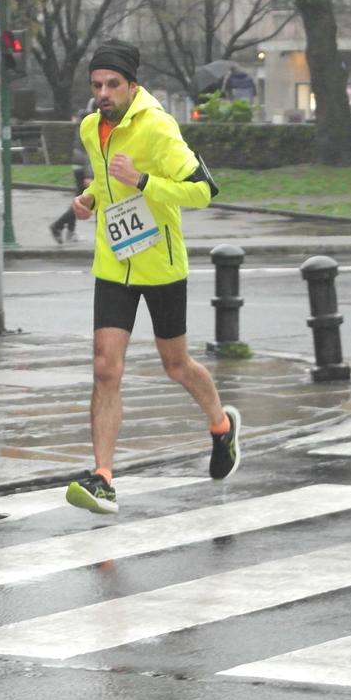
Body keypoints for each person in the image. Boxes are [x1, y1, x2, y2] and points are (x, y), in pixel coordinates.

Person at [66, 40, 239, 517]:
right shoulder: (89, 128)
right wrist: (89, 200)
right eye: (96, 85)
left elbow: (203, 191)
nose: (103, 93)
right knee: (106, 367)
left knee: (176, 365)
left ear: (132, 86)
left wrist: (144, 181)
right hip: (113, 265)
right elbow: (105, 186)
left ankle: (221, 425)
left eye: (112, 85)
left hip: (160, 266)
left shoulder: (159, 127)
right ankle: (103, 477)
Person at [51, 109, 87, 244]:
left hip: (78, 165)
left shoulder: (80, 126)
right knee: (82, 201)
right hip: (84, 167)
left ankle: (70, 231)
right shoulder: (87, 128)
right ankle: (58, 225)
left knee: (79, 199)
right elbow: (88, 152)